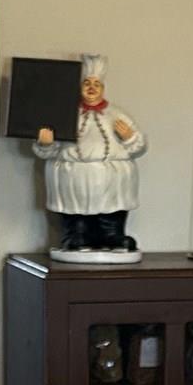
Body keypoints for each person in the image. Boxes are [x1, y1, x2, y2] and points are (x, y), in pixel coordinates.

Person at [34, 53, 146, 258]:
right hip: (72, 173)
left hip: (111, 175)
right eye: (87, 83)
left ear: (103, 87)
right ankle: (76, 235)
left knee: (112, 209)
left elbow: (139, 146)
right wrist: (46, 143)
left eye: (96, 83)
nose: (91, 87)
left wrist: (129, 137)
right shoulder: (64, 113)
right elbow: (47, 150)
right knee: (76, 211)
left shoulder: (117, 114)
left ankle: (113, 235)